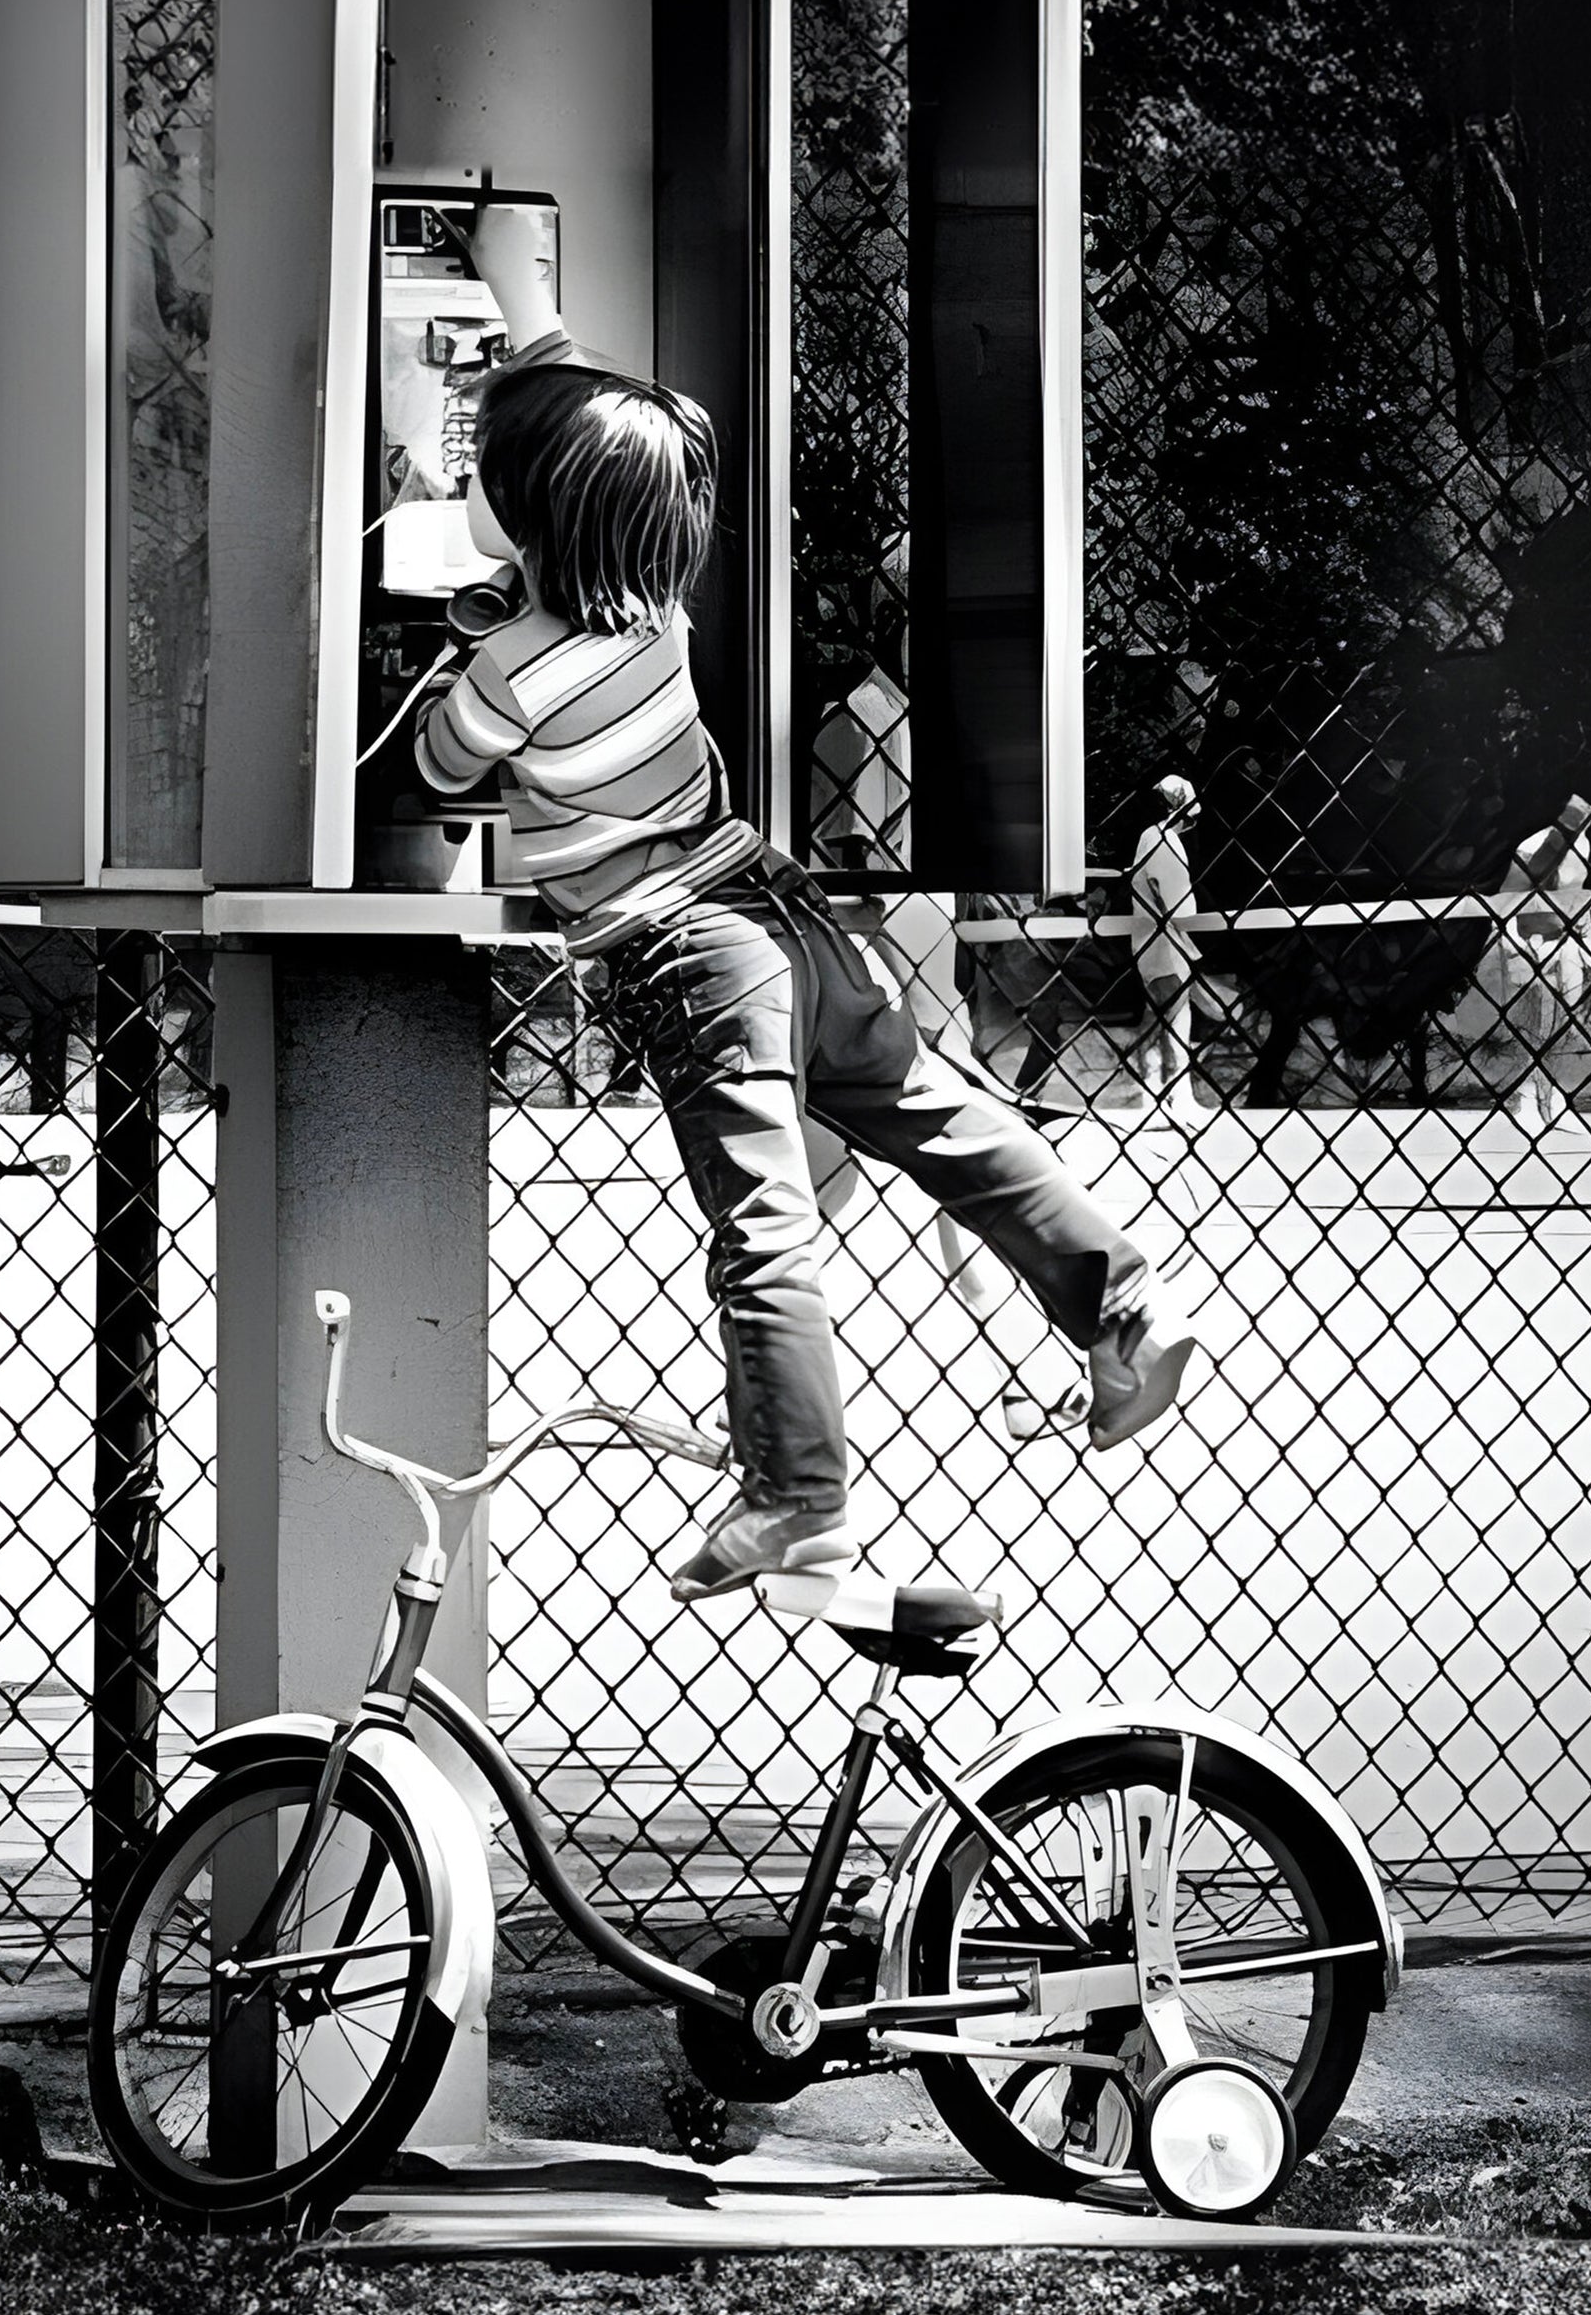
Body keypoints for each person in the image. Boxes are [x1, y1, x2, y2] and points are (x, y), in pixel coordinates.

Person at [415, 220, 1197, 1606]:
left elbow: (433, 765)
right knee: (945, 1118)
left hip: (693, 957)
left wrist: (463, 635)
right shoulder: (655, 600)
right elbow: (580, 406)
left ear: (531, 522)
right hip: (783, 909)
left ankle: (796, 1496)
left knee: (761, 1224)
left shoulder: (515, 669)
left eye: (482, 479)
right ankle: (1120, 1298)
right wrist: (520, 289)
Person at [1492, 795, 1591, 1134]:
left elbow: (1578, 899)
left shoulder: (1583, 844)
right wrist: (1510, 943)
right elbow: (1509, 896)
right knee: (1532, 1026)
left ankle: (1550, 1099)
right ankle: (1525, 1098)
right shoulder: (1535, 842)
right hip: (1531, 945)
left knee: (1561, 1026)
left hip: (1566, 945)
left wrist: (1590, 949)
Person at [1126, 775, 1211, 1126]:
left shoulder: (1151, 837)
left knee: (1167, 1016)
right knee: (1172, 1017)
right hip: (1164, 942)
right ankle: (1170, 1097)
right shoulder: (1163, 840)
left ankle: (1164, 1096)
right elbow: (1175, 901)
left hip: (1157, 941)